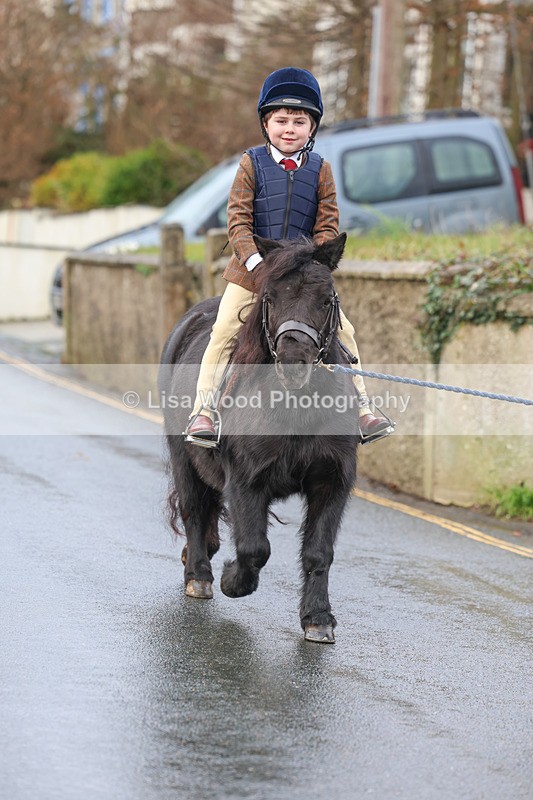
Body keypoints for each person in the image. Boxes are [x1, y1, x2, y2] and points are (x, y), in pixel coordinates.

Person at [185, 66, 392, 445]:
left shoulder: (321, 170)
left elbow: (328, 223)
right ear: (266, 123)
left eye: (299, 121)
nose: (289, 128)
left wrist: (315, 261)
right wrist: (257, 264)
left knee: (345, 331)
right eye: (281, 120)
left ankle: (363, 408)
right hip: (253, 273)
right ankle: (205, 411)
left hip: (302, 275)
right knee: (223, 329)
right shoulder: (251, 164)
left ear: (312, 128)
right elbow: (237, 223)